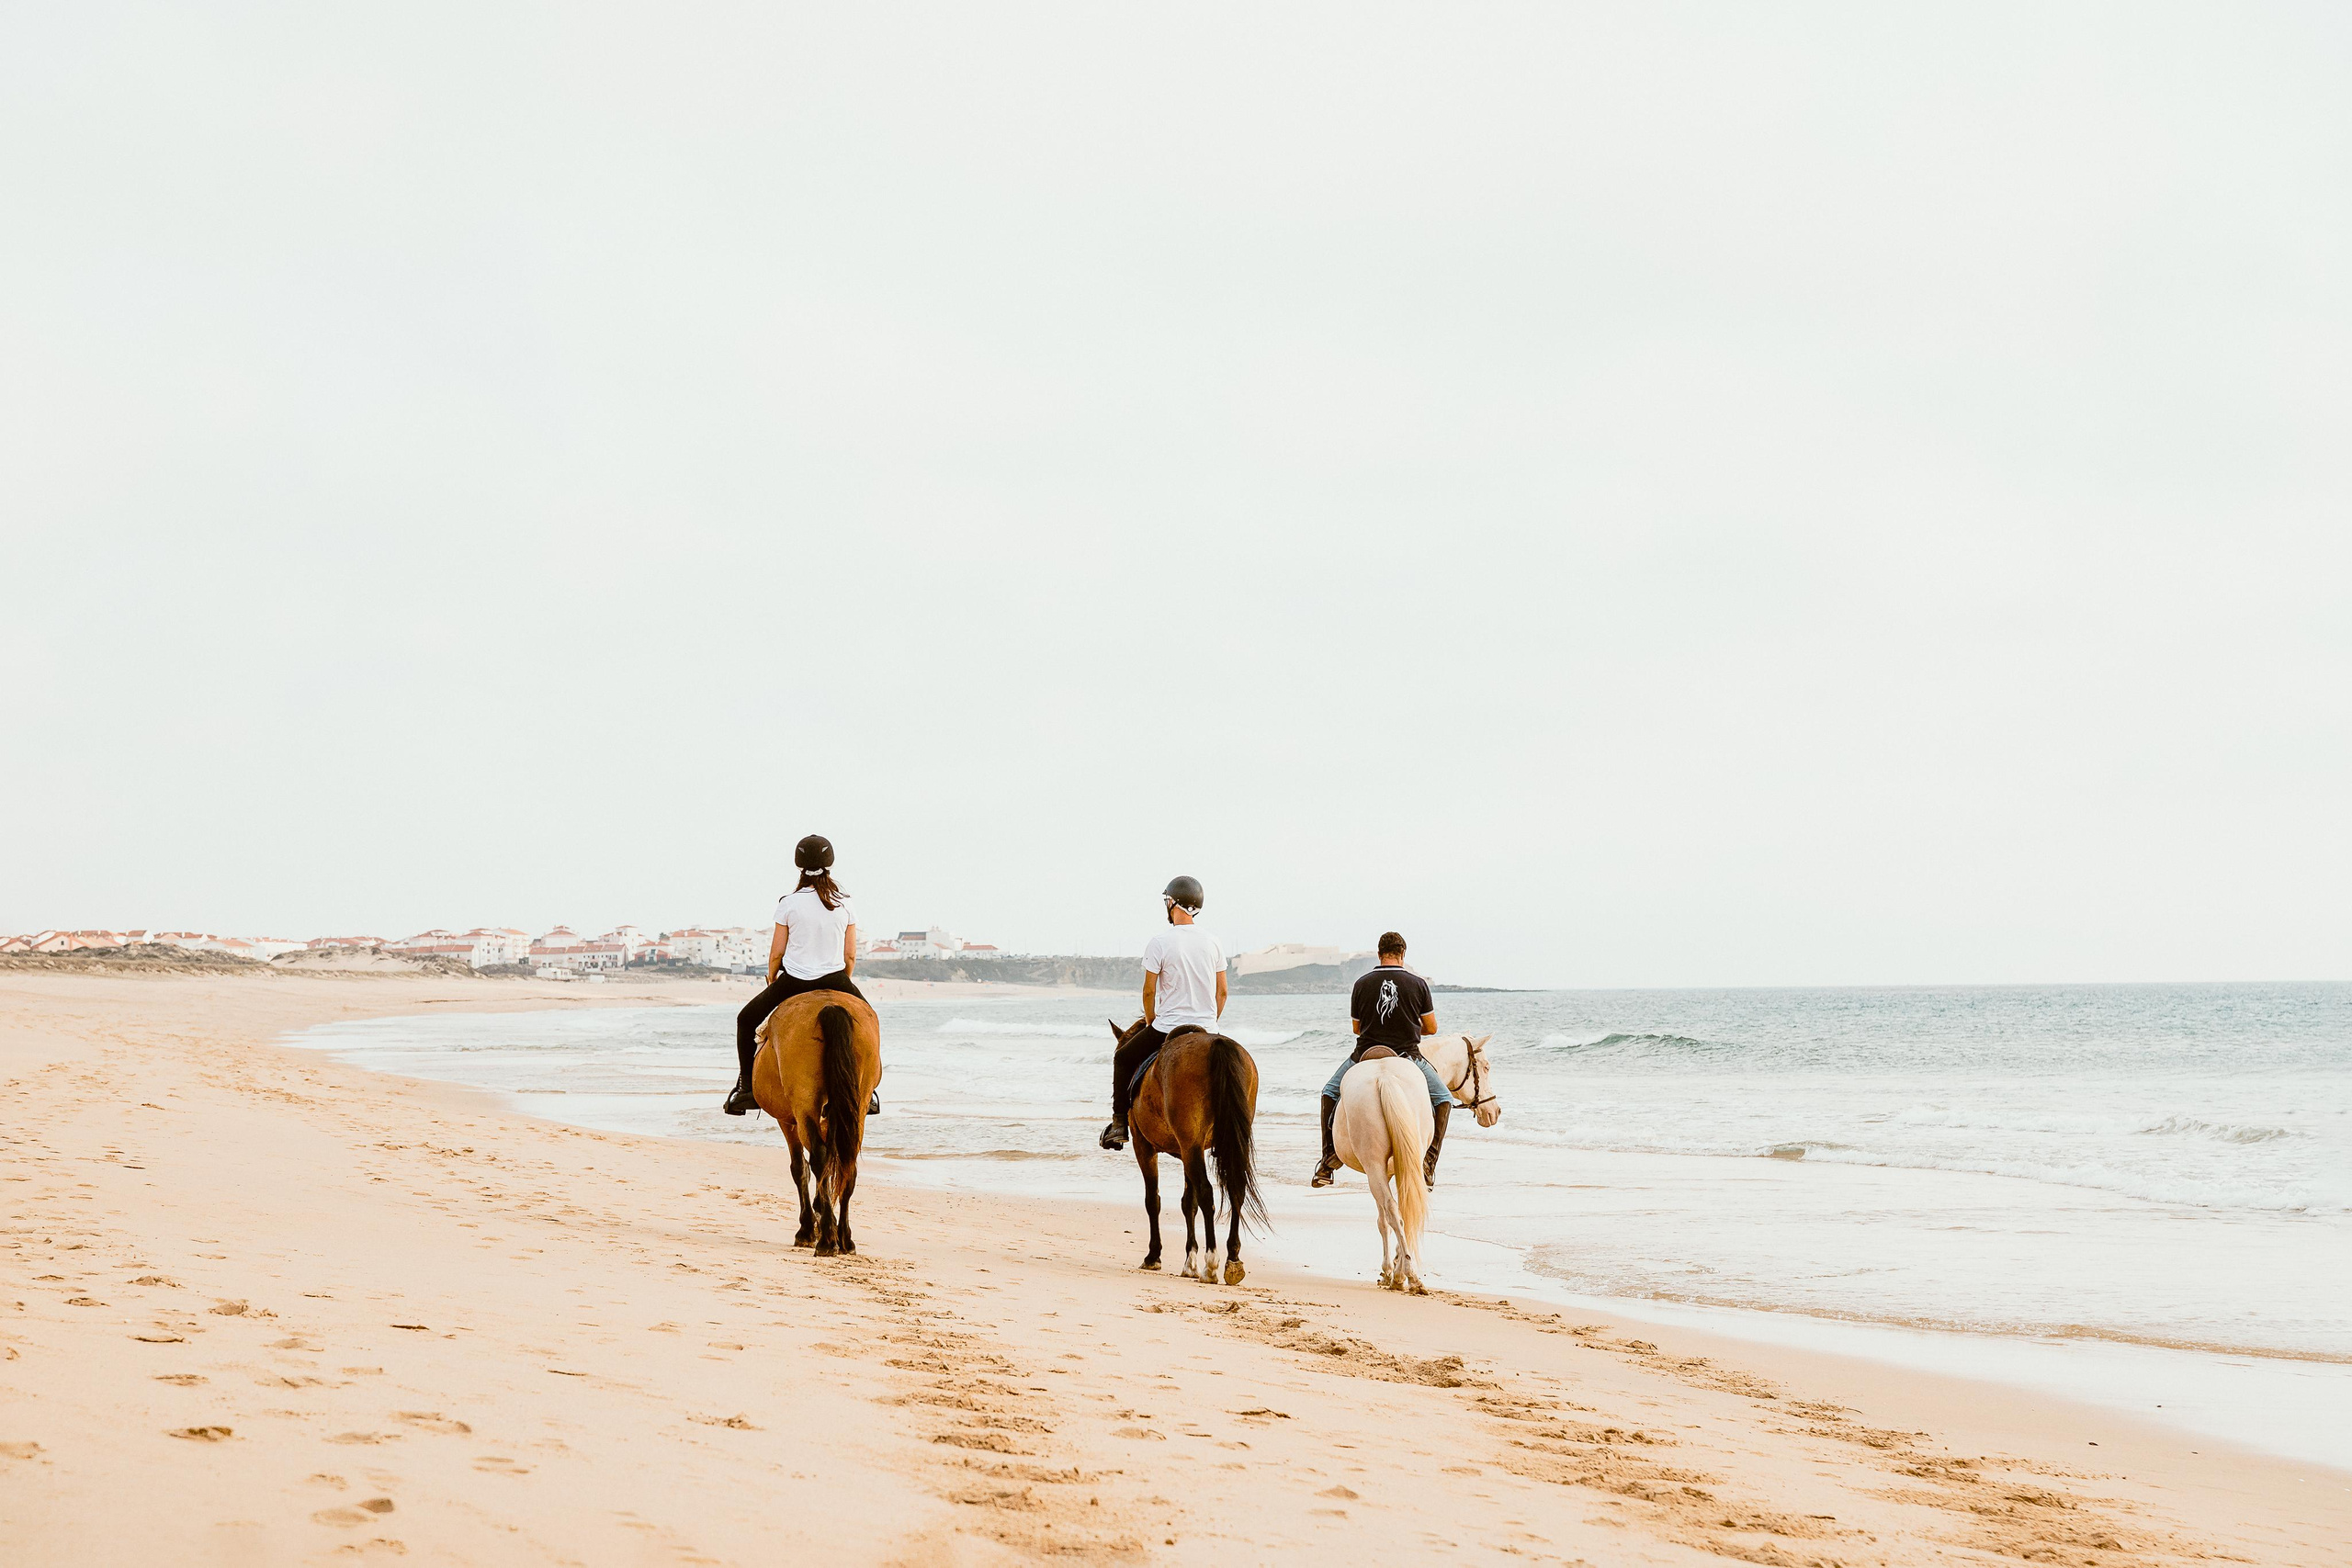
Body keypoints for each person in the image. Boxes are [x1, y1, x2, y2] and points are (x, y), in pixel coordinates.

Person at [722, 835, 869, 1116]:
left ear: (799, 865)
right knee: (869, 1022)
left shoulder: (788, 902)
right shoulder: (846, 904)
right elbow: (850, 956)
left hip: (794, 981)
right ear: (830, 863)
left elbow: (777, 953)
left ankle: (745, 1089)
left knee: (745, 1020)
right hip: (836, 978)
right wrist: (844, 980)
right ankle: (869, 1091)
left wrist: (772, 978)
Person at [1311, 931, 1450, 1189]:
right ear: (1403, 954)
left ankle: (1328, 1161)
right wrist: (1408, 1026)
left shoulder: (1362, 983)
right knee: (1443, 1098)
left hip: (1365, 1054)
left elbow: (1356, 1028)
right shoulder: (1418, 984)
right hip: (1407, 1055)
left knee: (1329, 1092)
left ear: (1379, 954)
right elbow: (1431, 1028)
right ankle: (1428, 1164)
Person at [1100, 875, 1227, 1151]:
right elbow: (1222, 993)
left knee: (1122, 1058)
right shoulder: (1214, 942)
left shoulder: (1160, 941)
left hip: (1168, 1026)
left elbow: (1148, 992)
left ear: (1172, 903)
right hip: (1208, 1027)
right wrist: (1210, 1021)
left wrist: (1152, 1022)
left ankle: (1120, 1124)